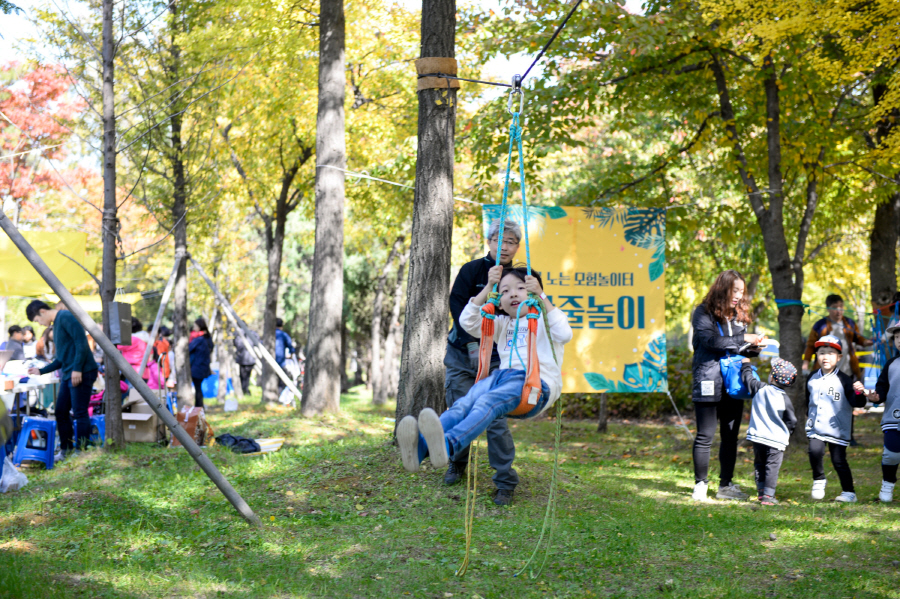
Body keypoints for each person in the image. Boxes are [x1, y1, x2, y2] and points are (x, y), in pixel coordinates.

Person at [397, 266, 572, 478]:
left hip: (535, 386)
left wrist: (543, 297)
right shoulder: (502, 323)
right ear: (500, 300)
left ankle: (449, 445)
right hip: (502, 378)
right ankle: (419, 450)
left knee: (486, 402)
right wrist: (488, 288)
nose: (513, 294)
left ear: (533, 292)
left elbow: (564, 334)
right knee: (462, 404)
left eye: (520, 288)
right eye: (505, 291)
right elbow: (466, 322)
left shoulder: (545, 320)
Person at [442, 218, 522, 505]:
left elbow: (524, 314)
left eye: (512, 242)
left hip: (500, 359)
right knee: (460, 408)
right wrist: (472, 343)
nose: (505, 247)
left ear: (517, 247)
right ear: (489, 242)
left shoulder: (523, 277)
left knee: (494, 416)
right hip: (462, 353)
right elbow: (457, 305)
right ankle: (457, 462)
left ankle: (505, 481)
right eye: (500, 240)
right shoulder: (471, 270)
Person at [690, 269, 767, 502]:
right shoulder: (702, 312)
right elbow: (711, 341)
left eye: (741, 292)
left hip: (734, 382)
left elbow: (736, 349)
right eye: (735, 291)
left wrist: (753, 349)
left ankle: (725, 485)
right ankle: (700, 485)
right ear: (722, 288)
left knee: (731, 436)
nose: (738, 296)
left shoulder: (738, 315)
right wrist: (745, 338)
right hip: (708, 378)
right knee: (705, 435)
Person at [25, 300, 99, 455]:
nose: (39, 324)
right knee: (60, 411)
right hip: (68, 373)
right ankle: (66, 449)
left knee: (79, 412)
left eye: (38, 320)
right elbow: (61, 358)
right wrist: (41, 370)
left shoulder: (65, 316)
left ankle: (82, 450)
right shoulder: (56, 324)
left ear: (43, 311)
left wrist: (78, 369)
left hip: (82, 371)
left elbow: (82, 343)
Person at [806, 335, 868, 502]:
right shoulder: (812, 377)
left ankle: (849, 493)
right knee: (814, 451)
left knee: (838, 460)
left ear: (839, 358)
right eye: (822, 353)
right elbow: (808, 400)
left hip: (837, 429)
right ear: (816, 355)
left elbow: (857, 402)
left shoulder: (845, 380)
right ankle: (819, 479)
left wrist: (859, 393)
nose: (825, 357)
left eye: (831, 353)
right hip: (816, 427)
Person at [739, 357, 798, 505]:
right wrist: (788, 432)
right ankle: (768, 496)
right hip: (776, 440)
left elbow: (747, 378)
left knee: (759, 464)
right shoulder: (785, 399)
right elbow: (792, 420)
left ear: (772, 376)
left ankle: (760, 492)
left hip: (758, 437)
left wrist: (746, 364)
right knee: (772, 466)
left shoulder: (760, 388)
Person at [865, 320, 900, 502]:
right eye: (896, 336)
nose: (899, 339)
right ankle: (888, 483)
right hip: (894, 418)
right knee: (891, 453)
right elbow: (882, 389)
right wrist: (876, 397)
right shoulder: (891, 364)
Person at [188, 317, 214, 409]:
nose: (194, 327)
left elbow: (189, 348)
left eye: (195, 326)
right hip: (204, 367)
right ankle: (199, 407)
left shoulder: (199, 339)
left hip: (197, 367)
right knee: (198, 388)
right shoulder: (208, 338)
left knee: (197, 388)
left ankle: (198, 407)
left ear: (200, 326)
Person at [234, 331, 258, 395]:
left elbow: (238, 345)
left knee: (244, 376)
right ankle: (244, 389)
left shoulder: (239, 335)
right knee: (245, 376)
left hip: (244, 359)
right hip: (248, 359)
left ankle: (245, 389)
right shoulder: (253, 334)